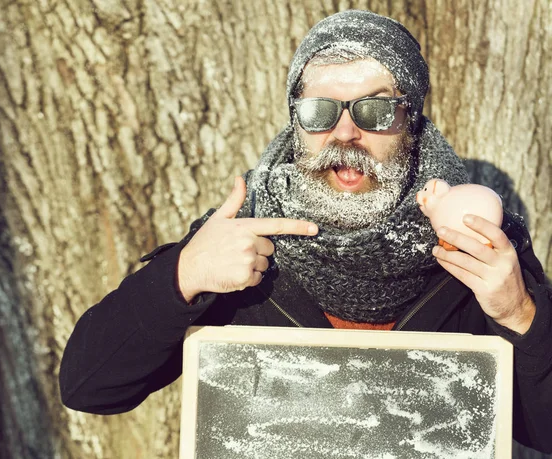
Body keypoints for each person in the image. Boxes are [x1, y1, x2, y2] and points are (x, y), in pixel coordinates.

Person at [59, 10, 552, 454]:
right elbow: (89, 386)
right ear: (297, 121)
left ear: (411, 118)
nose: (344, 133)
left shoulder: (477, 245)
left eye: (375, 111)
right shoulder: (240, 236)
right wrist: (182, 276)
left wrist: (520, 315)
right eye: (320, 110)